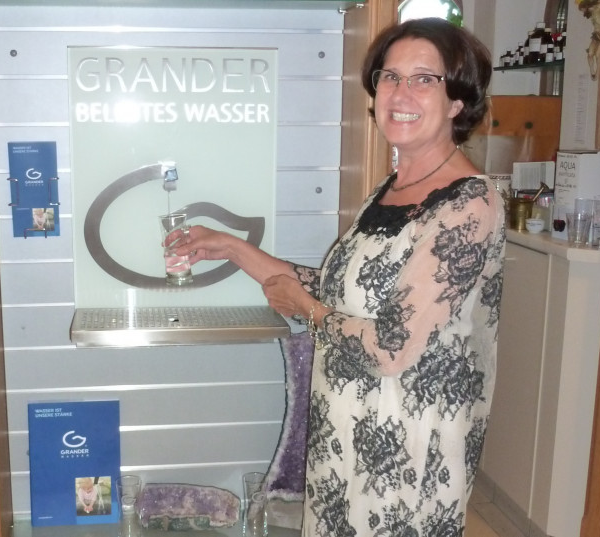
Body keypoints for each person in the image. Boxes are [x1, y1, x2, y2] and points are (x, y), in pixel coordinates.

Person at [172, 17, 504, 536]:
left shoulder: (469, 203)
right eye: (389, 77)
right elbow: (340, 288)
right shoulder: (390, 188)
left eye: (423, 79)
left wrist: (306, 310)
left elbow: (390, 346)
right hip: (346, 430)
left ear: (458, 100)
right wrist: (233, 248)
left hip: (405, 452)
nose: (400, 92)